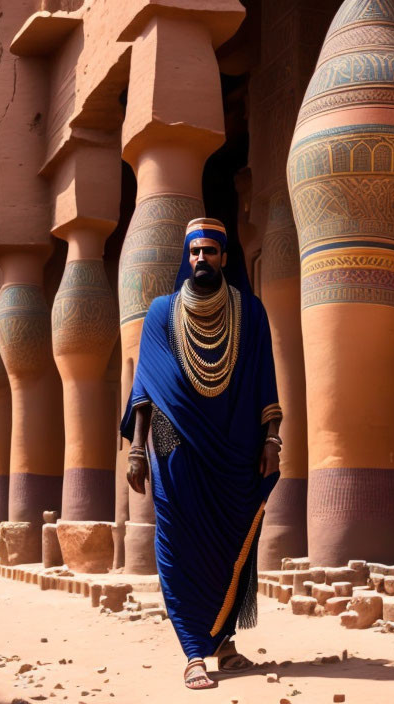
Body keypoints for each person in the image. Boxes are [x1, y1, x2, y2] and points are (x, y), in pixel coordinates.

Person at [120, 217, 283, 690]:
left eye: (210, 252)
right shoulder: (160, 312)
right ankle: (194, 651)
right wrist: (136, 451)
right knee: (178, 547)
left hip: (236, 446)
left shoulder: (250, 313)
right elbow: (145, 389)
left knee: (235, 544)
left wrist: (271, 439)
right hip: (174, 450)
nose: (201, 260)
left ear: (224, 258)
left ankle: (225, 642)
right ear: (185, 257)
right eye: (194, 252)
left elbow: (264, 381)